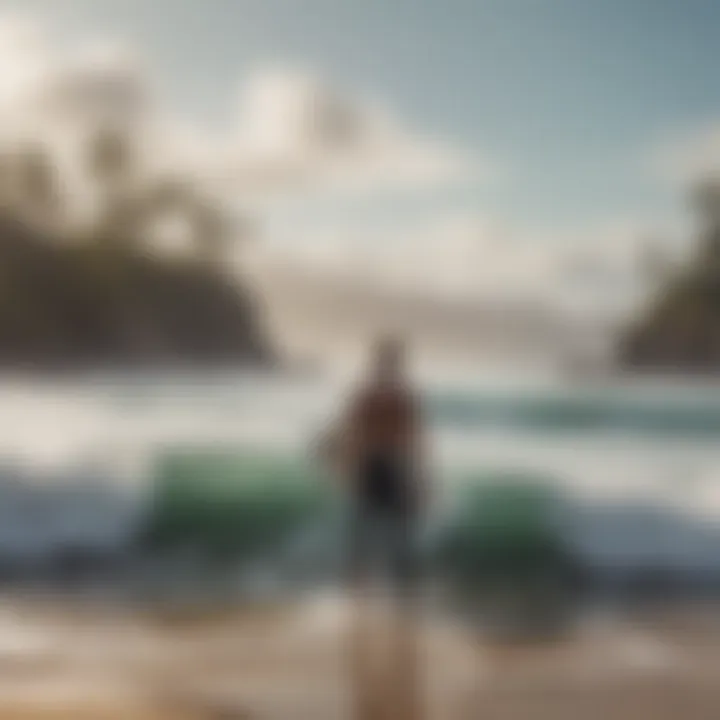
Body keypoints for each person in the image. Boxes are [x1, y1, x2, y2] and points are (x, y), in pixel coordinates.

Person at [319, 335, 428, 597]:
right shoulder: (380, 398)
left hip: (386, 467)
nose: (391, 367)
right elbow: (354, 432)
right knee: (377, 537)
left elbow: (411, 439)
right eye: (390, 361)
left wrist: (420, 479)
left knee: (387, 537)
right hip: (379, 467)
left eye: (392, 361)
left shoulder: (396, 399)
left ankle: (376, 596)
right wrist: (342, 462)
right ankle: (364, 598)